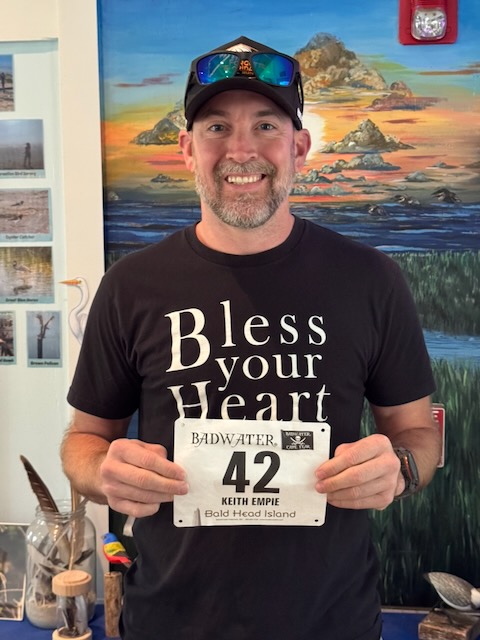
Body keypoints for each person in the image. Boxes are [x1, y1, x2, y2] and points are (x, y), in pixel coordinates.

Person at [61, 35, 441, 640]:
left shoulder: (372, 279)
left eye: (266, 125)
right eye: (217, 127)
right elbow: (82, 441)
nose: (241, 150)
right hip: (169, 620)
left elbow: (420, 435)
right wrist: (100, 470)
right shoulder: (130, 285)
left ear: (299, 147)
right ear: (187, 148)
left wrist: (399, 469)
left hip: (332, 622)